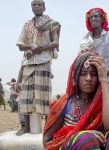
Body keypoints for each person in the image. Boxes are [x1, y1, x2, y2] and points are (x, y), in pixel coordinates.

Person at [43, 51, 109, 150]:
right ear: (76, 77)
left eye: (94, 74)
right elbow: (46, 139)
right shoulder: (65, 103)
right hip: (73, 146)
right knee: (86, 140)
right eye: (83, 74)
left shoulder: (105, 101)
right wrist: (82, 134)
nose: (88, 78)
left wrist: (104, 80)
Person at [16, 0, 61, 135]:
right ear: (31, 8)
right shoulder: (27, 24)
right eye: (34, 5)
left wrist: (39, 49)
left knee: (44, 96)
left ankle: (48, 127)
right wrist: (31, 47)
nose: (36, 7)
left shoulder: (52, 23)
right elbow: (20, 44)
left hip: (44, 62)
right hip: (28, 63)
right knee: (26, 96)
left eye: (39, 4)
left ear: (44, 7)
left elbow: (55, 43)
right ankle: (26, 127)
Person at [80, 8, 109, 76]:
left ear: (102, 19)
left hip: (104, 76)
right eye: (91, 17)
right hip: (89, 76)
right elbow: (81, 57)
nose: (93, 18)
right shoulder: (86, 38)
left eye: (96, 16)